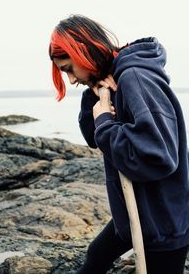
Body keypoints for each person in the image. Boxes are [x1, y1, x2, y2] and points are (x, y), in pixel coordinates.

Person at [49, 14, 189, 274]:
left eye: (69, 68)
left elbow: (159, 156)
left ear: (84, 51)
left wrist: (105, 121)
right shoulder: (113, 80)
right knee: (96, 257)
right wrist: (95, 96)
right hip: (134, 213)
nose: (70, 79)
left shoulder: (135, 78)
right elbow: (94, 138)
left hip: (163, 221)